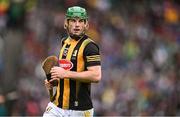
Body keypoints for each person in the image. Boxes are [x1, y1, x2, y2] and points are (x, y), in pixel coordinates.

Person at [43, 6, 101, 117]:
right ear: (66, 23)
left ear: (86, 24)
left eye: (80, 21)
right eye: (73, 20)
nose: (77, 24)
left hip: (80, 111)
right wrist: (54, 81)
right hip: (57, 106)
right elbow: (66, 72)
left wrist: (65, 74)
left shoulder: (90, 46)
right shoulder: (64, 42)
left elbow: (96, 76)